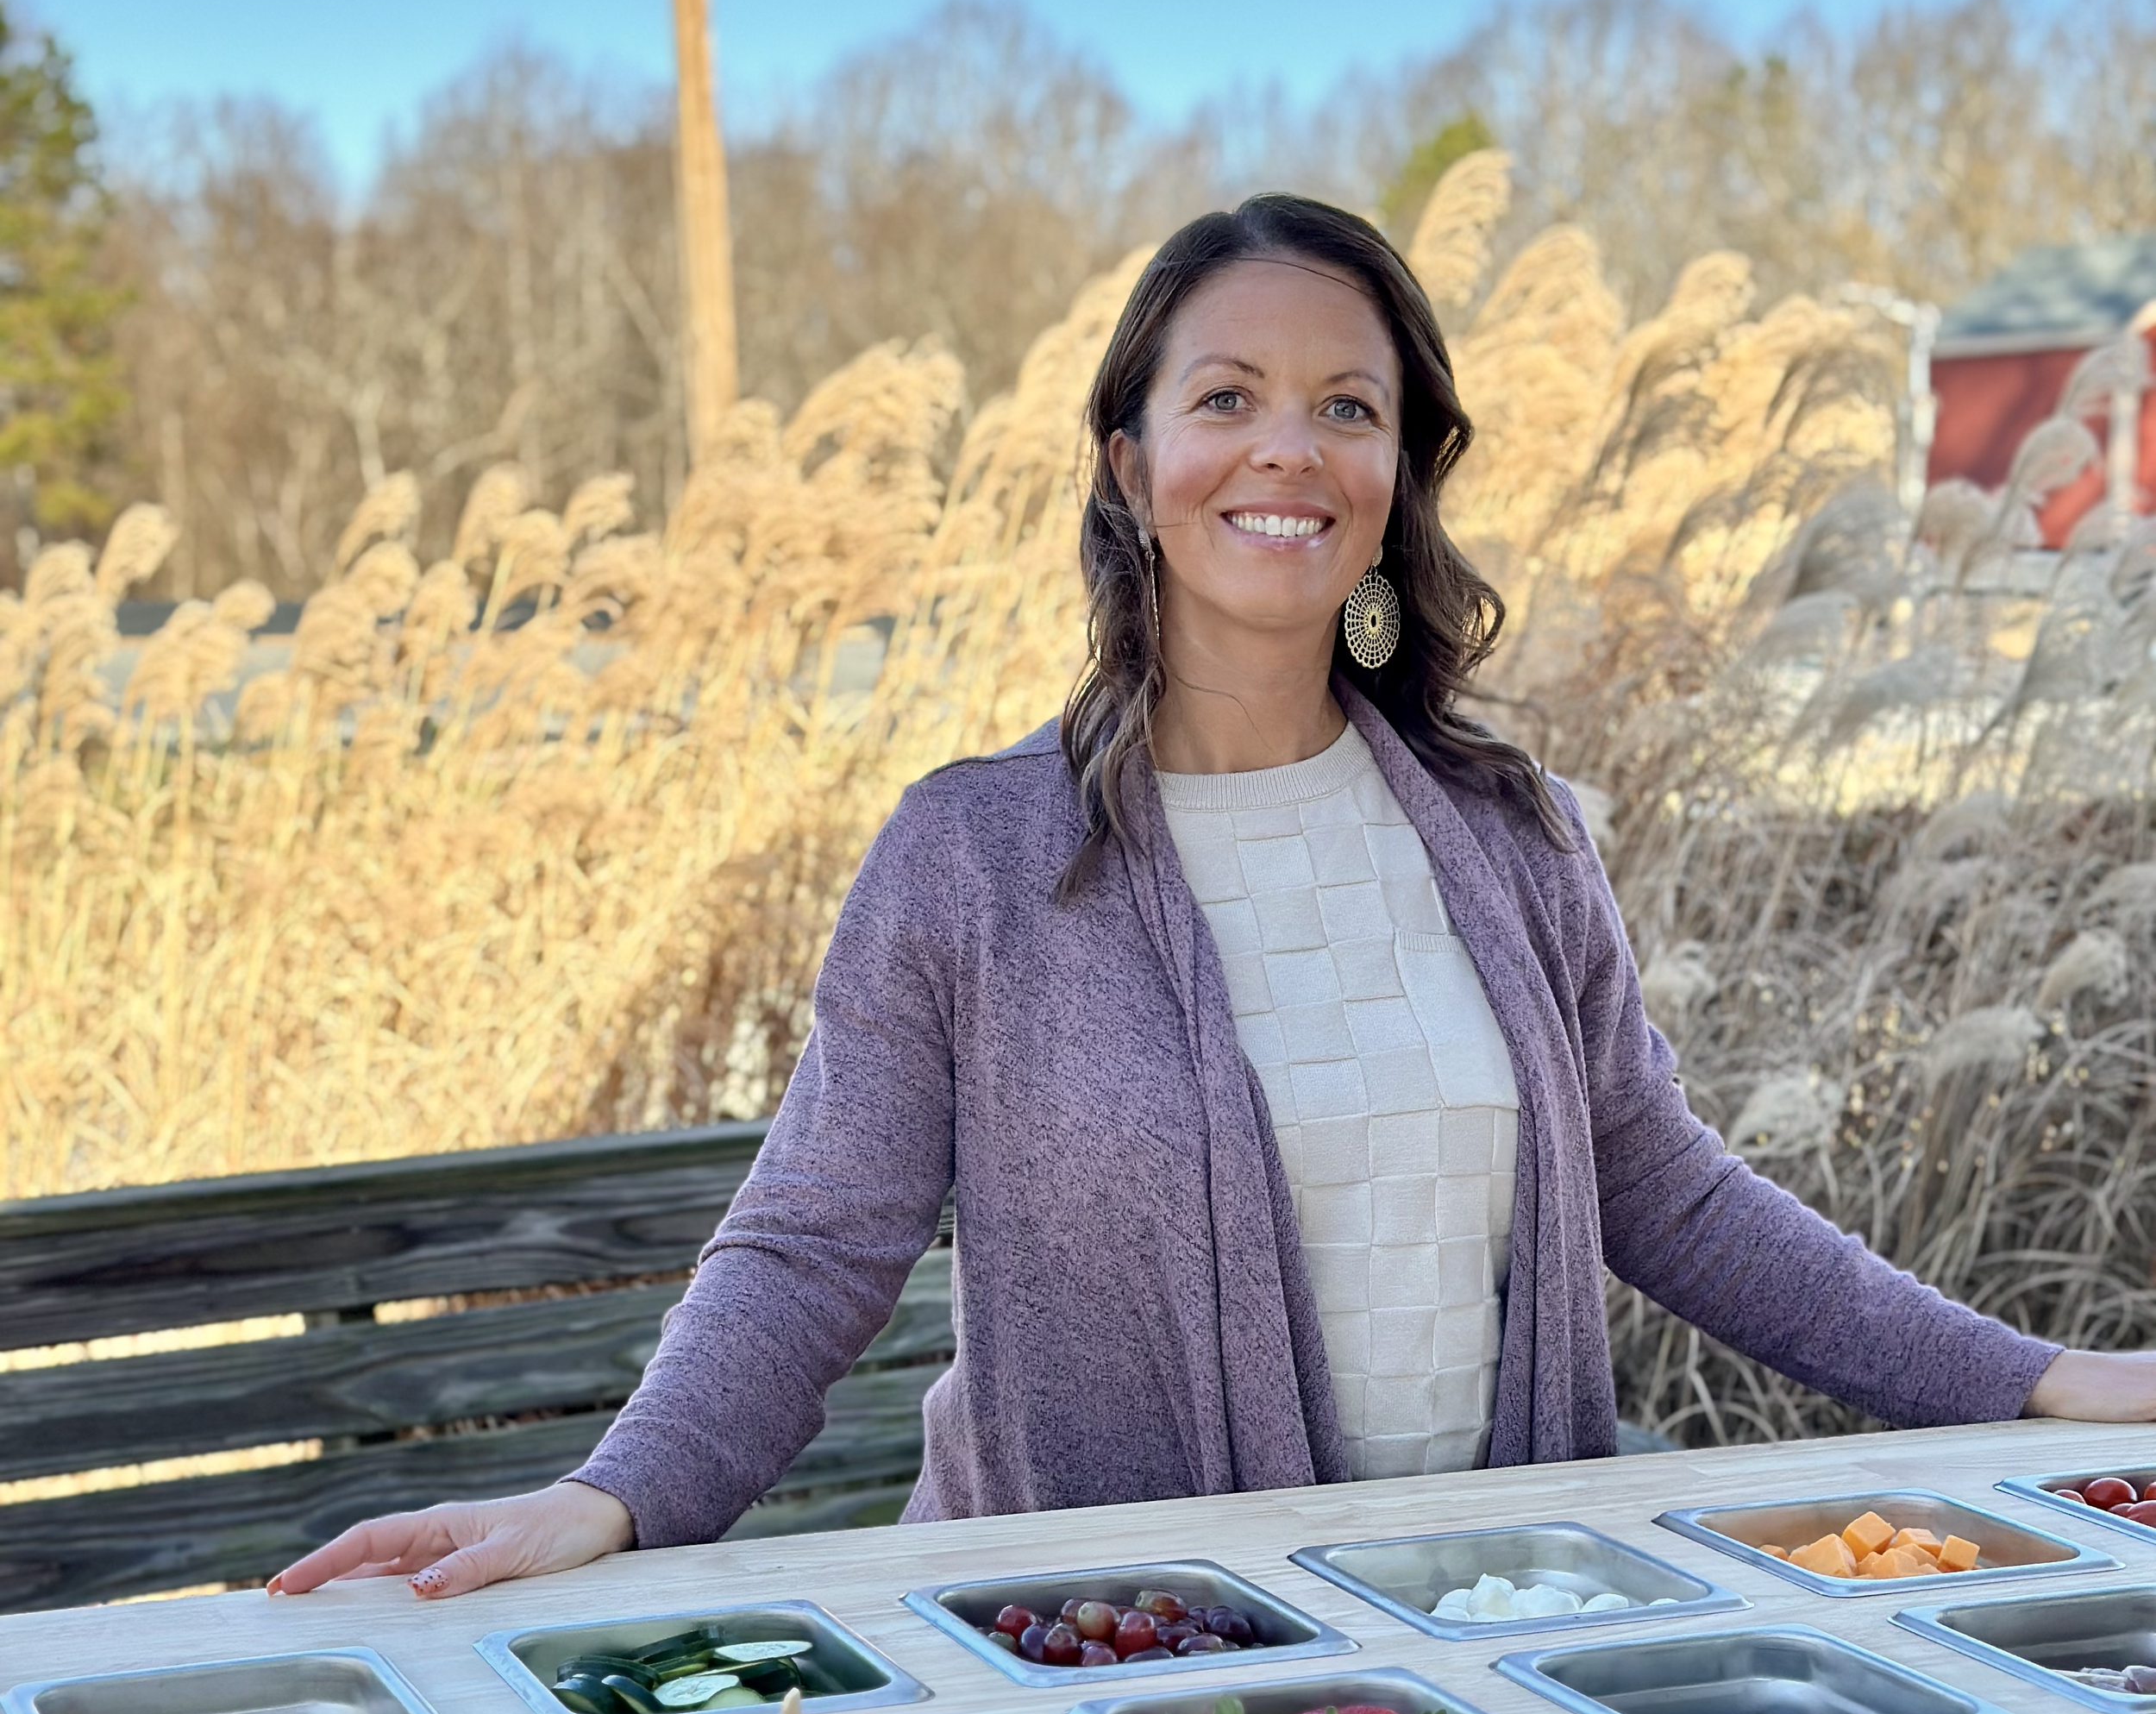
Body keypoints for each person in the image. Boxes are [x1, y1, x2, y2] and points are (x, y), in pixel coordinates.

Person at [271, 193, 2156, 1605]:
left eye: (1348, 405)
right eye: (1226, 396)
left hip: (1496, 1627)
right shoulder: (972, 858)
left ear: (1397, 472)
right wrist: (609, 1498)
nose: (1287, 447)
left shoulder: (1513, 835)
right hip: (1113, 1654)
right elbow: (811, 1243)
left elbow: (1657, 1182)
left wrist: (2037, 1377)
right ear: (1132, 462)